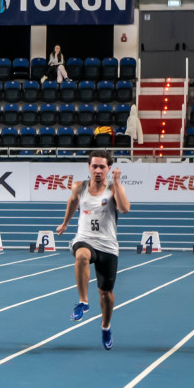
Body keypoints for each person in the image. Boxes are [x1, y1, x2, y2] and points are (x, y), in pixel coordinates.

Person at [55, 150, 130, 350]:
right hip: (85, 238)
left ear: (108, 168)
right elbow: (72, 202)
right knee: (81, 256)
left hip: (107, 245)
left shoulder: (113, 188)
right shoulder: (80, 187)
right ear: (89, 167)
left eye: (102, 166)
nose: (97, 170)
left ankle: (106, 326)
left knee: (106, 294)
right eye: (94, 166)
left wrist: (118, 184)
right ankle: (83, 301)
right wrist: (65, 224)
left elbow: (124, 208)